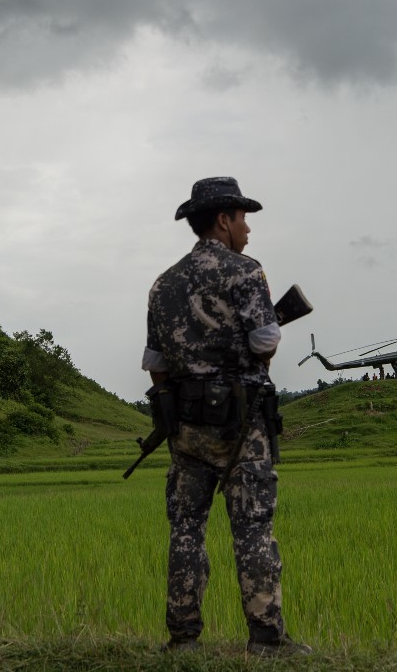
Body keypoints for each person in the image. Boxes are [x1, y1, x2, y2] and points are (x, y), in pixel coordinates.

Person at [141, 177, 310, 657]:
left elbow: (156, 365)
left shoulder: (164, 284)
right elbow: (264, 343)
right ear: (223, 220)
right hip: (242, 425)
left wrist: (178, 410)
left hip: (187, 428)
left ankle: (183, 640)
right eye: (242, 218)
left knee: (187, 529)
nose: (248, 229)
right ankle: (266, 641)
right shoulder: (246, 273)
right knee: (253, 529)